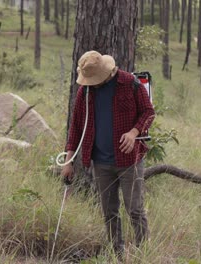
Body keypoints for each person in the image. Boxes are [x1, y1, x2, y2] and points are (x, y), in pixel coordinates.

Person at [61, 50, 155, 255]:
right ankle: (116, 254)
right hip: (101, 163)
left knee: (135, 210)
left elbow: (148, 112)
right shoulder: (85, 93)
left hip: (129, 161)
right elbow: (76, 127)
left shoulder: (130, 84)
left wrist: (133, 132)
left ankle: (143, 254)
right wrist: (68, 161)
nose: (90, 83)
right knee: (109, 212)